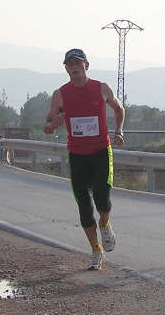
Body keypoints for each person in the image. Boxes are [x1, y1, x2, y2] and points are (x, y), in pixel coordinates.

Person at [44, 48, 125, 271]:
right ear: (66, 69)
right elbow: (47, 125)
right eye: (69, 65)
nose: (74, 68)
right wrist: (54, 123)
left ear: (86, 66)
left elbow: (119, 109)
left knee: (102, 198)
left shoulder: (101, 88)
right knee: (84, 207)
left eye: (77, 64)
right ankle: (96, 251)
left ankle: (105, 223)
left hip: (100, 150)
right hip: (77, 154)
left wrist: (118, 131)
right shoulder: (60, 94)